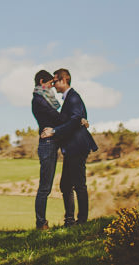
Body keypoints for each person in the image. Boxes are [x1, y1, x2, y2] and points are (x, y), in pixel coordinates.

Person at [50, 67, 98, 225]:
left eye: (55, 81)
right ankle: (70, 219)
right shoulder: (70, 98)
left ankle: (81, 220)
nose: (53, 85)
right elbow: (79, 117)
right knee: (66, 185)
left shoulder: (73, 97)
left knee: (78, 184)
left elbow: (77, 117)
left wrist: (55, 131)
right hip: (71, 147)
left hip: (77, 146)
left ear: (64, 80)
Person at [30, 69, 63, 230]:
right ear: (42, 82)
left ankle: (41, 222)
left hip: (52, 142)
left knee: (46, 186)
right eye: (50, 83)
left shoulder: (44, 98)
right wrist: (74, 118)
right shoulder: (39, 100)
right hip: (47, 143)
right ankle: (41, 222)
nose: (52, 87)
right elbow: (55, 116)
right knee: (45, 187)